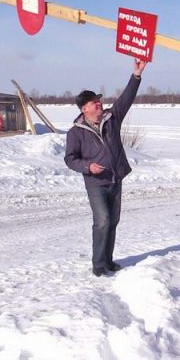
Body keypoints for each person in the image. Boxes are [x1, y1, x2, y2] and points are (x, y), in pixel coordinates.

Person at [65, 59, 147, 277]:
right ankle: (98, 264)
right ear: (85, 109)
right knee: (102, 221)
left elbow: (126, 99)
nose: (99, 104)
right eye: (94, 103)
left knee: (113, 221)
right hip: (96, 183)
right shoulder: (76, 133)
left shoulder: (112, 118)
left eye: (99, 101)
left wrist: (136, 75)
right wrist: (87, 166)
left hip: (115, 178)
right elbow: (70, 159)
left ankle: (108, 261)